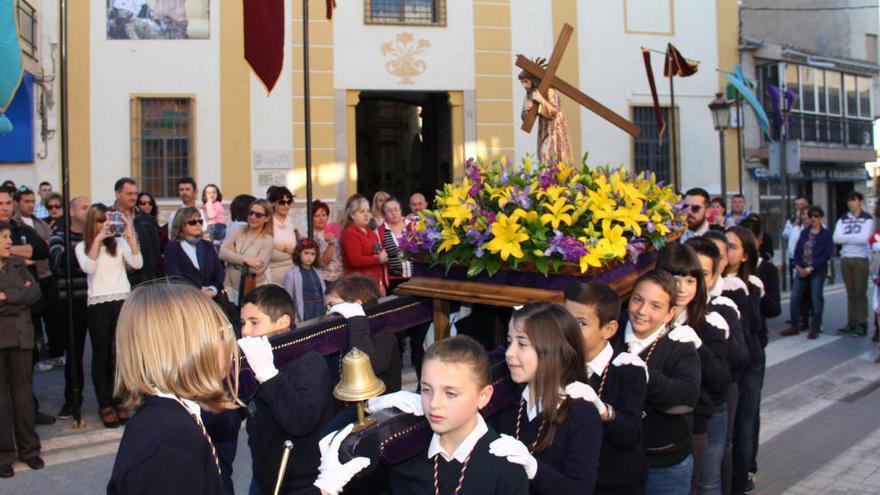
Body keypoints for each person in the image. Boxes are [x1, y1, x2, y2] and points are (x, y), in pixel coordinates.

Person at [319, 335, 530, 495]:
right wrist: (371, 407)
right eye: (426, 389)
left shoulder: (505, 468)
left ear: (483, 396)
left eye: (450, 393)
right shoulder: (405, 451)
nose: (434, 404)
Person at [107, 283, 240, 494]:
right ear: (186, 346)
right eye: (220, 332)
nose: (231, 342)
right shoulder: (169, 445)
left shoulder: (170, 419)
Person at [489, 302, 602, 494]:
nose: (509, 352)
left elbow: (580, 489)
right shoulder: (507, 399)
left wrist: (534, 469)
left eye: (522, 344)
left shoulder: (581, 414)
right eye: (510, 341)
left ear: (554, 351)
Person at [237, 285, 333, 495]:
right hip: (262, 477)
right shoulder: (254, 359)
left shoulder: (309, 360)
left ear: (283, 322)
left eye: (254, 323)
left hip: (298, 483)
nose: (245, 331)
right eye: (243, 323)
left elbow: (301, 421)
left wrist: (268, 375)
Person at [612, 269, 701, 495]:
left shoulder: (679, 345)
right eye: (637, 300)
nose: (642, 311)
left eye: (655, 306)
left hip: (664, 464)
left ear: (670, 314)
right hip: (615, 459)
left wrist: (646, 374)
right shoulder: (610, 335)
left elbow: (686, 396)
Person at [657, 244, 731, 495]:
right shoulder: (643, 318)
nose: (681, 288)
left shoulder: (709, 324)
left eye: (690, 280)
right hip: (654, 432)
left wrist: (697, 344)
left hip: (698, 423)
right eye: (675, 279)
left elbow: (721, 383)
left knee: (705, 486)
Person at [563, 282, 648, 495]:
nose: (568, 330)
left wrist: (601, 409)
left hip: (614, 483)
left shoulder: (627, 368)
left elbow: (631, 433)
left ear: (608, 329)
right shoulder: (559, 363)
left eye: (581, 323)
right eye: (565, 319)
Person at [686, 235, 749, 495]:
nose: (688, 285)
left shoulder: (721, 310)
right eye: (687, 274)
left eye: (701, 275)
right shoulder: (661, 312)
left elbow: (740, 359)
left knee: (709, 481)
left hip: (711, 407)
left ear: (713, 277)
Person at [75, 203, 143, 428]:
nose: (104, 224)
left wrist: (129, 235)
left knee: (119, 354)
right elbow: (89, 268)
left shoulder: (120, 243)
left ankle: (119, 399)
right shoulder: (83, 245)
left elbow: (137, 263)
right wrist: (97, 239)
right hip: (98, 303)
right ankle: (104, 403)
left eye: (107, 220)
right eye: (99, 220)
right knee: (101, 354)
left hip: (121, 299)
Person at [723, 226, 766, 495]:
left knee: (745, 420)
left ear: (746, 254)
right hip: (727, 364)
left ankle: (744, 471)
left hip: (748, 362)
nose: (726, 252)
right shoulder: (710, 281)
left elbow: (758, 328)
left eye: (732, 246)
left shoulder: (749, 286)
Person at [0, 220, 43, 479]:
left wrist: (6, 297)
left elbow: (35, 293)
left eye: (8, 236)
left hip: (21, 336)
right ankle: (4, 453)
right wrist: (19, 296)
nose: (9, 241)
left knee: (23, 396)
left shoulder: (17, 264)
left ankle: (29, 450)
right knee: (0, 400)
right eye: (4, 237)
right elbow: (24, 295)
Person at [48, 196, 91, 420]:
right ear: (72, 212)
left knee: (105, 354)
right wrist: (86, 255)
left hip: (95, 300)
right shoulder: (59, 235)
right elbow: (58, 262)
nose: (88, 211)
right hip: (72, 301)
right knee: (74, 354)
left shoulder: (96, 235)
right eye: (84, 207)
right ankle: (72, 400)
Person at [324, 274, 403, 392]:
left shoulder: (384, 336)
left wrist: (356, 319)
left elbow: (364, 368)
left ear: (355, 306)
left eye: (332, 306)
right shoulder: (343, 333)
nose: (327, 313)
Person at [13, 187, 60, 368]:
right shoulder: (15, 225)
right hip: (30, 277)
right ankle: (36, 356)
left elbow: (47, 247)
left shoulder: (40, 224)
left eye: (33, 201)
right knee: (33, 319)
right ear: (18, 203)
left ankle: (55, 353)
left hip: (46, 275)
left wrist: (33, 253)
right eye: (26, 201)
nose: (31, 205)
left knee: (53, 317)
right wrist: (30, 253)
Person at [784, 206, 833, 340]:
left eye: (816, 216)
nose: (814, 219)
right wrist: (798, 266)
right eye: (811, 216)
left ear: (821, 217)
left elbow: (826, 255)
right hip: (802, 268)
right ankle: (795, 324)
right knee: (795, 296)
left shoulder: (826, 234)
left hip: (817, 270)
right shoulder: (805, 232)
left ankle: (815, 327)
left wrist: (810, 268)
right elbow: (798, 250)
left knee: (816, 298)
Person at [833, 191, 874, 337]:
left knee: (860, 292)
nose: (851, 203)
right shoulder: (843, 218)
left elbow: (864, 238)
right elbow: (836, 238)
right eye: (849, 200)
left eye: (854, 200)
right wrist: (852, 238)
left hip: (860, 258)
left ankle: (862, 323)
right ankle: (851, 322)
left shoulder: (867, 218)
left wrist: (847, 238)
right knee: (850, 293)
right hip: (846, 257)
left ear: (860, 201)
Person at [219, 199, 274, 306]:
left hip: (252, 290)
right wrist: (246, 260)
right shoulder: (239, 229)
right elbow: (222, 253)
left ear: (266, 218)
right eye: (251, 213)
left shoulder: (267, 240)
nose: (253, 217)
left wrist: (232, 256)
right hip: (230, 288)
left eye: (258, 215)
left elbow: (256, 269)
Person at [164, 207, 225, 300]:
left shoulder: (208, 245)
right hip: (186, 299)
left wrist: (212, 289)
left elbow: (219, 272)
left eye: (200, 221)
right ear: (181, 225)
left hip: (211, 299)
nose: (197, 224)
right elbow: (175, 276)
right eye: (192, 222)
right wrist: (199, 291)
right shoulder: (173, 247)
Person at [518, 64, 572, 164]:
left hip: (555, 127)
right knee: (543, 155)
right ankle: (546, 178)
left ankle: (553, 177)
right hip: (544, 128)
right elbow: (525, 118)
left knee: (549, 153)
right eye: (522, 82)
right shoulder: (530, 94)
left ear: (533, 80)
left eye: (526, 81)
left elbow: (555, 112)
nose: (524, 85)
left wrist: (541, 100)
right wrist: (527, 110)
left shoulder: (549, 90)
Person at [112, 178, 160, 284]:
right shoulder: (108, 217)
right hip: (117, 277)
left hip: (142, 277)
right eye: (129, 194)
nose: (133, 197)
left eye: (135, 194)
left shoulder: (146, 219)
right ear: (117, 194)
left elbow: (155, 249)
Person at [340, 196, 387, 291]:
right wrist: (379, 259)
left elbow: (376, 253)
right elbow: (355, 260)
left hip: (373, 283)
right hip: (358, 284)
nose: (366, 214)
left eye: (368, 211)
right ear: (352, 215)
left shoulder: (371, 232)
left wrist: (380, 283)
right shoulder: (350, 233)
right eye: (361, 211)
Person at [283, 238, 326, 324]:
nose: (309, 257)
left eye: (313, 254)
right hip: (304, 311)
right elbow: (288, 299)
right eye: (306, 253)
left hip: (320, 310)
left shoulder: (318, 272)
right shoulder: (292, 274)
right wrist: (294, 319)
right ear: (299, 254)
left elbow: (323, 293)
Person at [379, 197, 412, 290]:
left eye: (396, 209)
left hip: (416, 277)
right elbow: (379, 261)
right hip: (394, 280)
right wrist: (380, 283)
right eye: (389, 211)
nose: (393, 213)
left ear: (401, 210)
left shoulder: (412, 226)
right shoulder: (380, 232)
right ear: (384, 214)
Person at [268, 186, 298, 285]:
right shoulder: (268, 222)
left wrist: (284, 249)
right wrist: (288, 251)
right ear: (273, 203)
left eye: (288, 202)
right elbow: (267, 249)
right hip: (273, 272)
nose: (286, 205)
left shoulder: (292, 222)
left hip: (292, 272)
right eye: (282, 202)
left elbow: (299, 247)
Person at [311, 200, 343, 282]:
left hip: (341, 275)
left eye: (323, 215)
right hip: (324, 278)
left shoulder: (334, 227)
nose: (321, 218)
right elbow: (322, 262)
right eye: (317, 216)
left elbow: (341, 251)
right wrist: (331, 244)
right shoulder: (311, 235)